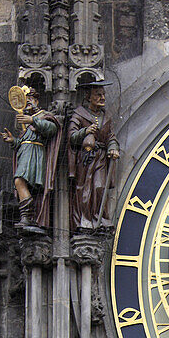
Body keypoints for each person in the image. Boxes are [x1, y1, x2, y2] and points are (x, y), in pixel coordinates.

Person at [0, 86, 61, 228]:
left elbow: (52, 129)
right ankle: (28, 217)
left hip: (36, 155)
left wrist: (32, 121)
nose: (27, 104)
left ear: (36, 101)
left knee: (19, 181)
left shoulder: (43, 116)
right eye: (25, 101)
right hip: (25, 154)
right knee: (21, 183)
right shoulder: (26, 123)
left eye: (30, 100)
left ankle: (28, 216)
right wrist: (12, 141)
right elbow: (22, 142)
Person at [68, 82, 120, 230]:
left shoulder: (105, 116)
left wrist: (113, 147)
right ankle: (84, 220)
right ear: (88, 97)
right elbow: (71, 136)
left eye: (103, 94)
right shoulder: (79, 114)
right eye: (98, 94)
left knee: (99, 187)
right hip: (86, 158)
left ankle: (99, 218)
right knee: (84, 189)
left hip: (101, 158)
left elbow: (111, 137)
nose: (102, 97)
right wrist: (85, 132)